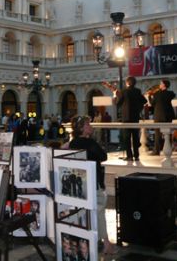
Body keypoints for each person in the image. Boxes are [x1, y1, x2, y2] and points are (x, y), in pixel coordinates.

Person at [68, 116, 117, 255]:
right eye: (88, 124)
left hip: (81, 183)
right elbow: (103, 156)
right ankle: (106, 243)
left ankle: (89, 240)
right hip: (94, 182)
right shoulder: (90, 143)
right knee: (100, 211)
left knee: (87, 212)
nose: (91, 126)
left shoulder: (73, 143)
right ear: (82, 128)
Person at [115, 76, 146, 161]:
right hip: (135, 117)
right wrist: (138, 109)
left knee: (127, 138)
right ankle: (136, 156)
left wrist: (115, 96)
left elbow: (118, 103)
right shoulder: (138, 91)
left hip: (126, 118)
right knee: (136, 137)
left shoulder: (124, 91)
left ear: (128, 83)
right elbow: (144, 101)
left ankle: (129, 156)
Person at [149, 79, 176, 155]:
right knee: (168, 133)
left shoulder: (157, 94)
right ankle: (168, 150)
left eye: (161, 83)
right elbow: (172, 95)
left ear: (164, 85)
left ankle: (156, 151)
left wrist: (149, 96)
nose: (159, 85)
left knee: (158, 134)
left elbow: (152, 103)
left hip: (158, 116)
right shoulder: (170, 93)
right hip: (168, 115)